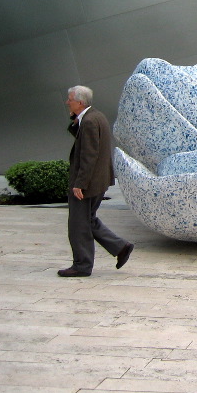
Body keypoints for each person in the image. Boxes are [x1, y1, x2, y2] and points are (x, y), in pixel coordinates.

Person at [58, 86, 133, 277]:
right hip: (97, 180)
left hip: (88, 183)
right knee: (87, 220)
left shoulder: (90, 121)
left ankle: (82, 265)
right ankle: (121, 247)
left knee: (78, 225)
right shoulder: (94, 117)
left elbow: (88, 155)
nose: (67, 102)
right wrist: (75, 123)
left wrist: (80, 183)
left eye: (70, 100)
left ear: (80, 102)